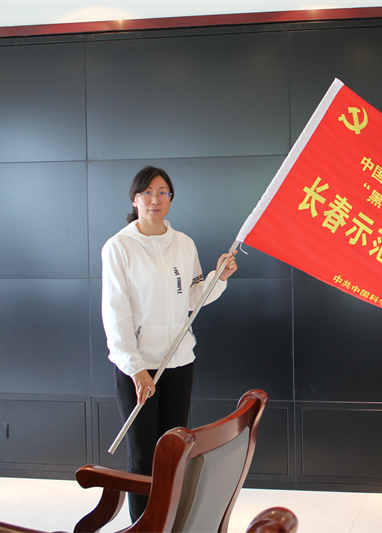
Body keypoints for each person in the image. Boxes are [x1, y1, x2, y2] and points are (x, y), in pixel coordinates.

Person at [101, 166, 238, 521]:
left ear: (171, 199)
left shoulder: (183, 243)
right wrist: (135, 369)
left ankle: (170, 521)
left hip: (178, 362)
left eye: (163, 192)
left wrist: (219, 277)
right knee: (143, 457)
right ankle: (142, 526)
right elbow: (115, 313)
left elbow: (192, 297)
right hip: (139, 369)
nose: (155, 199)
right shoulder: (119, 247)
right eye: (148, 192)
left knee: (174, 451)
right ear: (135, 199)